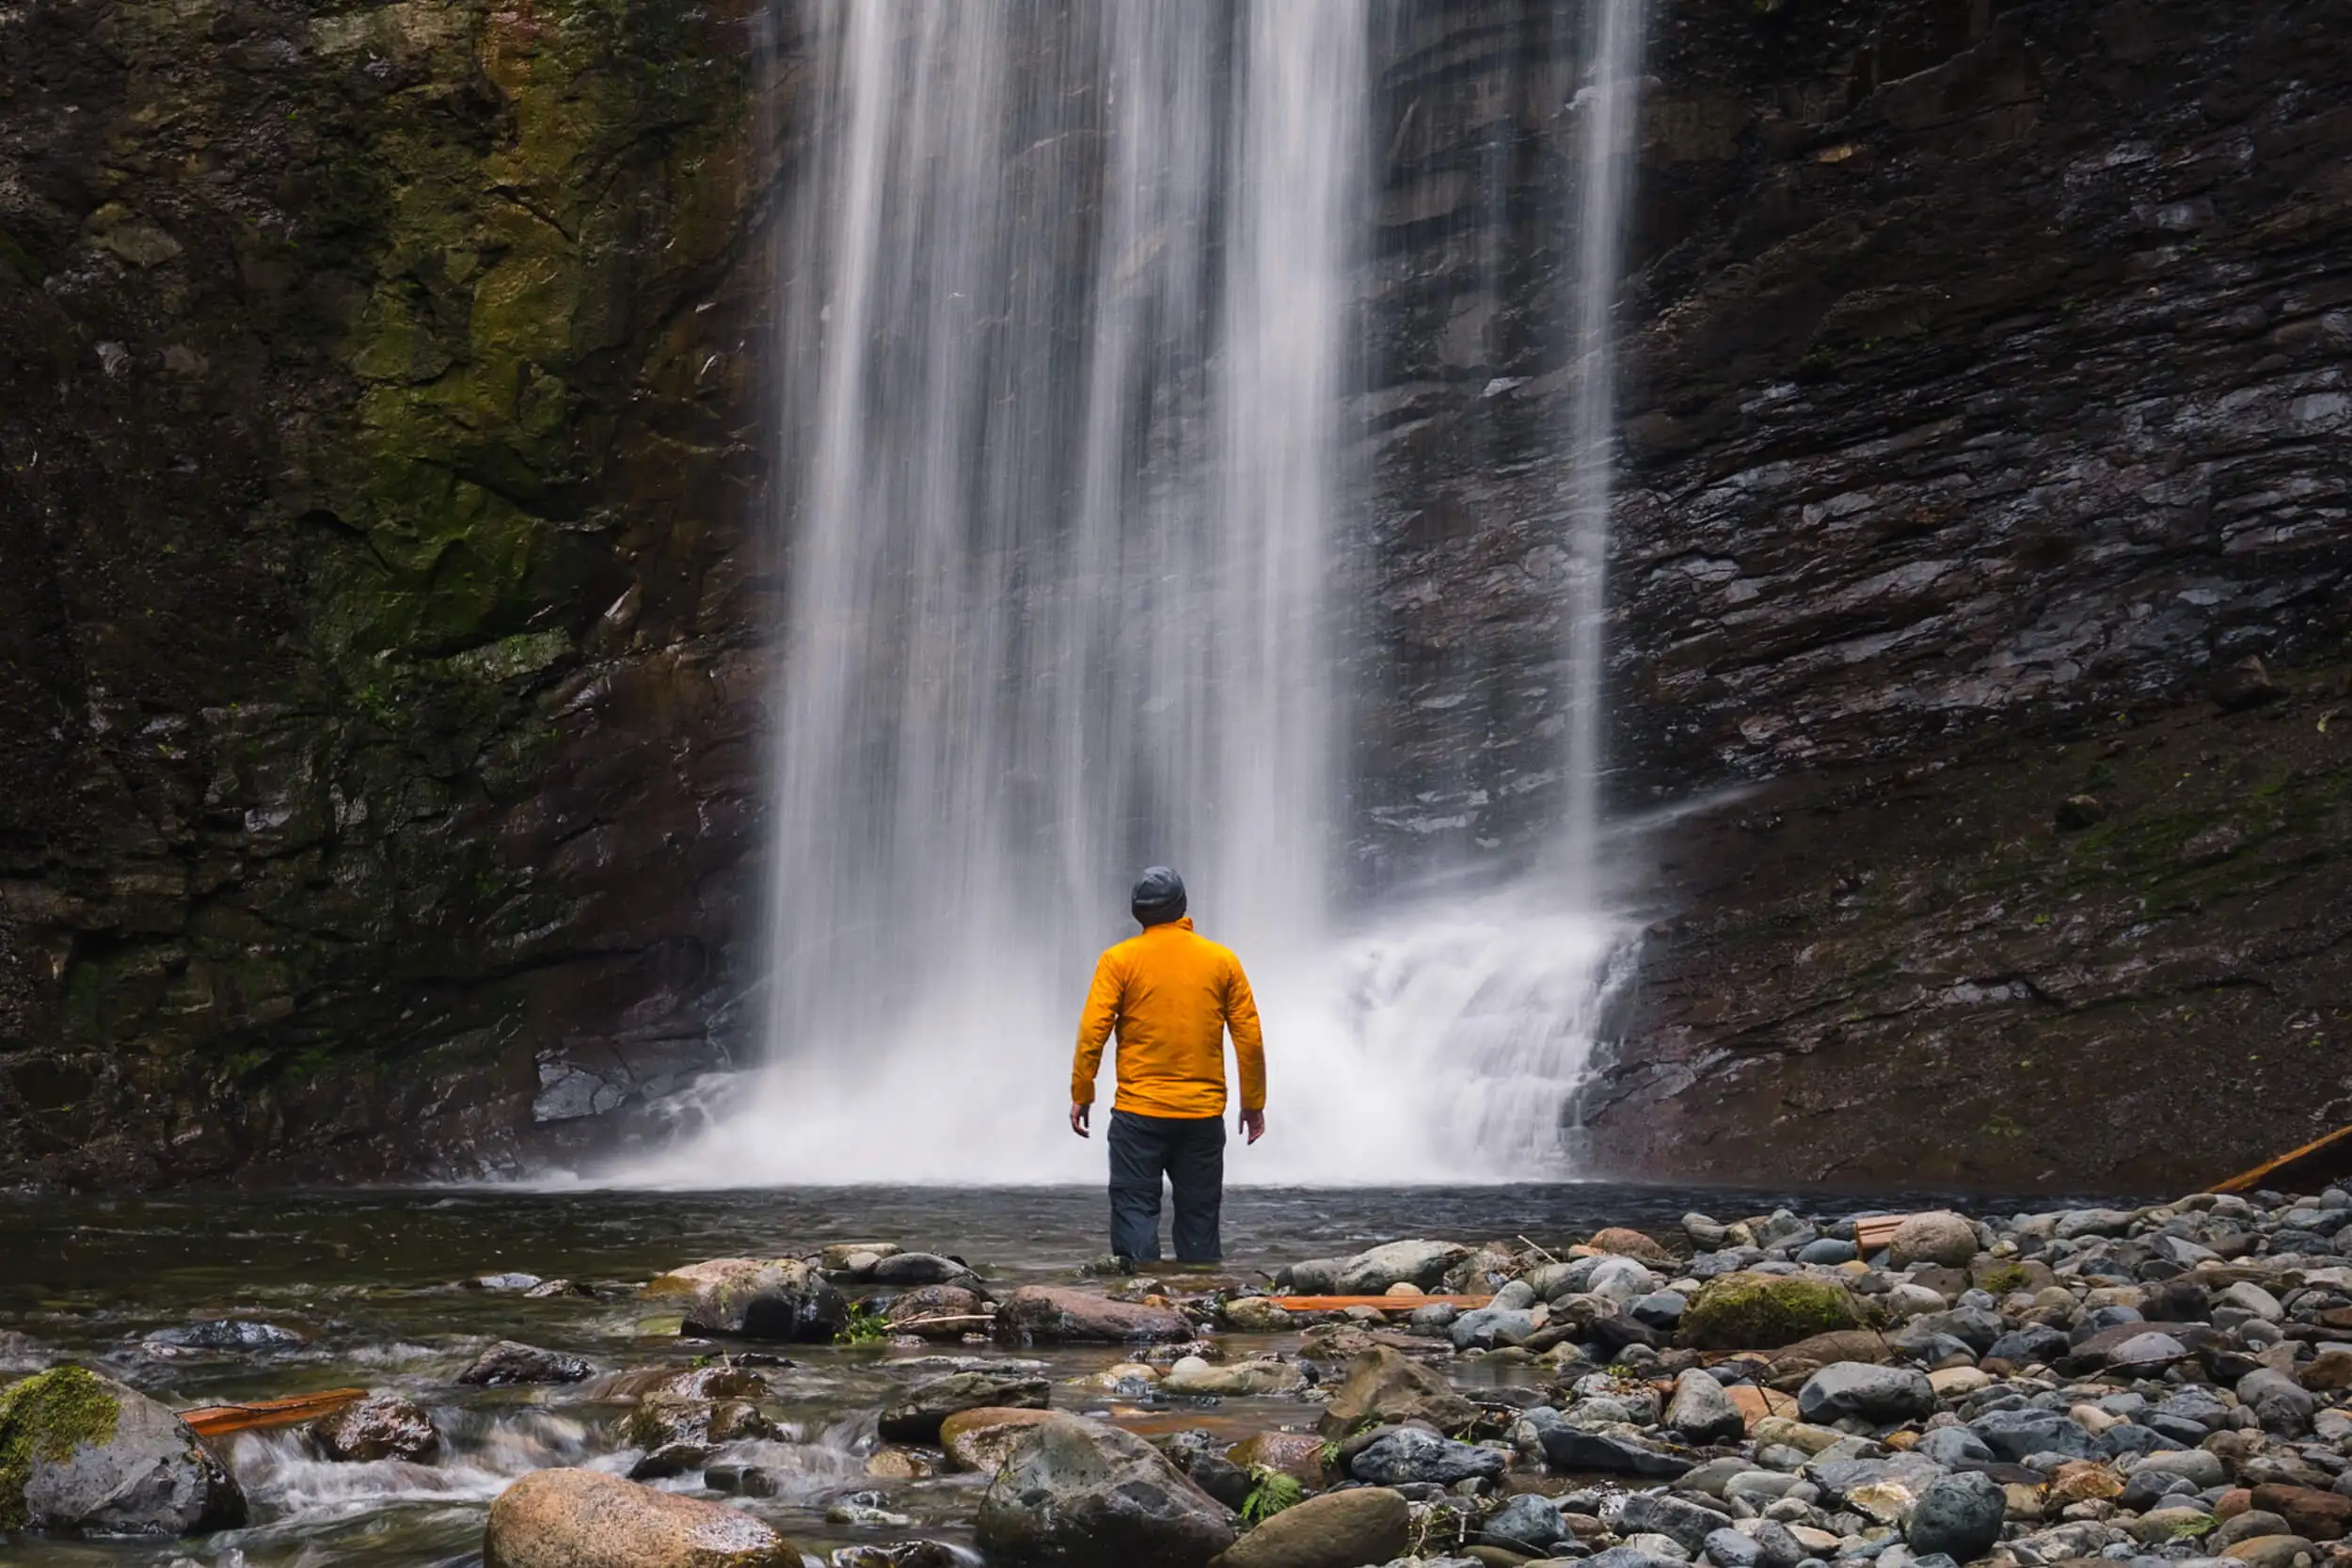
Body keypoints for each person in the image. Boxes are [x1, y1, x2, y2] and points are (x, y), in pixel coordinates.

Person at [1068, 866, 1265, 1264]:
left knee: (1134, 1209)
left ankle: (1141, 1304)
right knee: (1199, 1215)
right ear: (1182, 907)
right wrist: (1252, 1103)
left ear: (1138, 912)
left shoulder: (1118, 960)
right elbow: (1249, 1037)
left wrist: (1082, 1093)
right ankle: (1203, 1301)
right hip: (1202, 1114)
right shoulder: (1221, 960)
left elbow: (1093, 1031)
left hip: (1139, 1113)